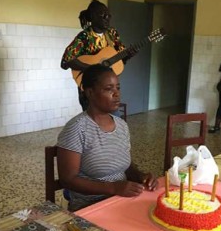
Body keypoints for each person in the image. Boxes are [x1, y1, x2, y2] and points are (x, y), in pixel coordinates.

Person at [56, 64, 157, 211]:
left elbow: (125, 164)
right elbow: (68, 180)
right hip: (90, 207)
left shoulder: (121, 125)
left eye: (118, 88)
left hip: (120, 199)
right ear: (90, 93)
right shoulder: (77, 128)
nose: (116, 94)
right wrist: (113, 188)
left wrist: (141, 176)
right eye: (109, 89)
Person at [61, 0, 136, 111]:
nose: (107, 18)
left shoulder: (112, 34)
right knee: (92, 121)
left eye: (109, 15)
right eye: (103, 15)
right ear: (92, 16)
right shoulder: (84, 36)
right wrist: (92, 69)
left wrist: (128, 55)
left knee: (111, 118)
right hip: (91, 88)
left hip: (109, 87)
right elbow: (66, 61)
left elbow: (120, 58)